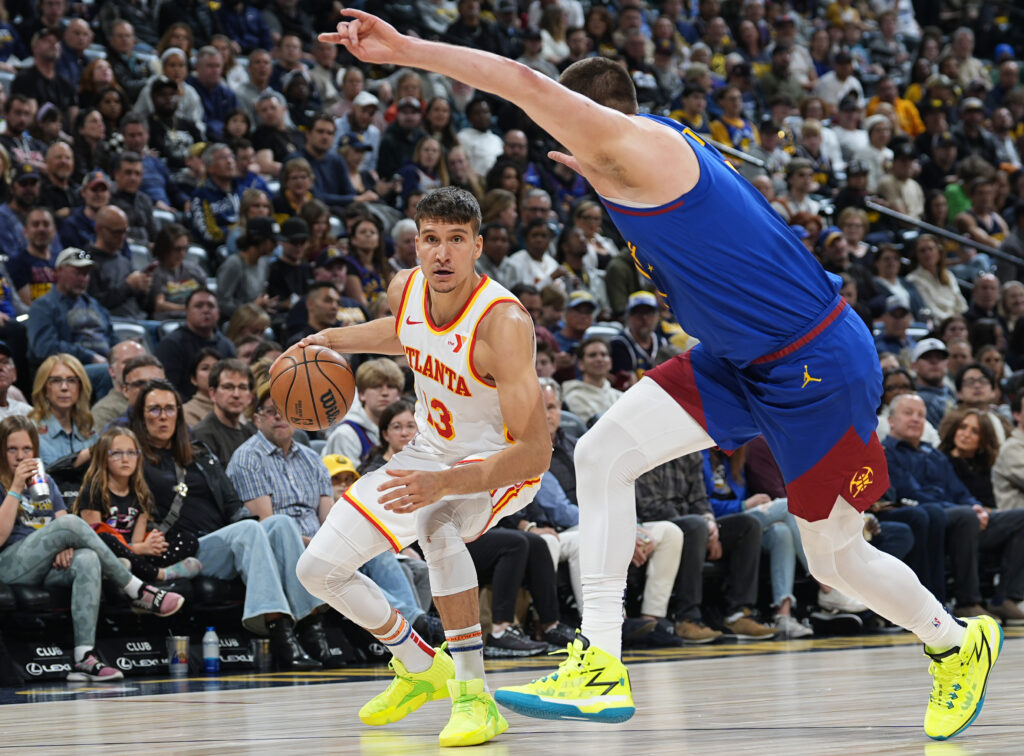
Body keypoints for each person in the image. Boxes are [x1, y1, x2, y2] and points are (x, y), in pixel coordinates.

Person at [318, 11, 1004, 737]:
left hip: (814, 365)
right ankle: (601, 662)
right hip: (738, 360)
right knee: (599, 451)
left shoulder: (629, 144)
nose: (559, 142)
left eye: (564, 125)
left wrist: (403, 50)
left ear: (589, 116)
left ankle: (956, 643)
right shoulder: (630, 156)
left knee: (833, 561)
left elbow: (517, 80)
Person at [295, 186, 551, 747]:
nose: (441, 254)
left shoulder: (502, 324)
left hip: (500, 464)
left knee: (436, 525)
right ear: (416, 243)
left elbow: (537, 452)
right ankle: (418, 663)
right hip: (427, 455)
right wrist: (333, 339)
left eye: (455, 241)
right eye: (431, 240)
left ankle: (474, 696)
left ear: (477, 246)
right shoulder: (404, 289)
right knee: (316, 570)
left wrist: (445, 482)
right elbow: (403, 330)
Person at [132, 378, 324, 670]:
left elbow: (234, 506)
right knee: (248, 530)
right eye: (155, 409)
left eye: (170, 409)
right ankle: (278, 628)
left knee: (280, 524)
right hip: (182, 550)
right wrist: (84, 456)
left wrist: (258, 531)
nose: (163, 416)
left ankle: (311, 624)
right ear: (141, 415)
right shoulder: (134, 458)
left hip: (222, 540)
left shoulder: (199, 455)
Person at [0, 415, 185, 682]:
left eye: (27, 449)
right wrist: (16, 488)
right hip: (9, 565)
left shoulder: (45, 482)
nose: (20, 456)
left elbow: (62, 523)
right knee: (73, 525)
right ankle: (136, 588)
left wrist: (64, 544)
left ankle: (84, 657)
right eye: (12, 449)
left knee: (87, 559)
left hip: (46, 563)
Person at [75, 426, 202, 583]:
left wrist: (152, 544)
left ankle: (140, 572)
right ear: (103, 458)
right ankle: (159, 575)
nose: (125, 459)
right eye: (116, 453)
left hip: (134, 556)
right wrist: (141, 548)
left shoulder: (141, 493)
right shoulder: (93, 491)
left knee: (187, 539)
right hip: (105, 555)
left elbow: (138, 541)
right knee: (105, 538)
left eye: (131, 453)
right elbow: (93, 543)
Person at [154, 289, 235, 399]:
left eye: (211, 306)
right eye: (199, 306)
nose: (206, 310)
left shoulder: (227, 346)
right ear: (187, 311)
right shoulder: (171, 344)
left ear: (218, 312)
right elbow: (167, 388)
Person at [322, 358, 404, 464]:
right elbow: (346, 480)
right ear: (361, 394)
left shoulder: (408, 431)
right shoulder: (346, 434)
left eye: (391, 387)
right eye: (376, 387)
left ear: (399, 395)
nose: (385, 393)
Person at [192, 358, 256, 468]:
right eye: (228, 387)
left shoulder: (252, 433)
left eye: (242, 387)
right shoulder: (201, 436)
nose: (236, 394)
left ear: (250, 397)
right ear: (212, 394)